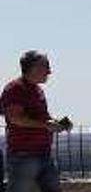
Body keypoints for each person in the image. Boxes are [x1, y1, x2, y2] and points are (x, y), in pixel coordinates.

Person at [0, 51, 72, 192]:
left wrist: (56, 123)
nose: (49, 71)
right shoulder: (15, 89)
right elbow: (15, 118)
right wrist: (46, 125)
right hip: (24, 155)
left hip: (43, 153)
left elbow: (41, 117)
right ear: (34, 68)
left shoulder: (37, 90)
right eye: (46, 67)